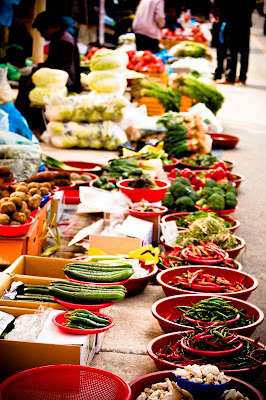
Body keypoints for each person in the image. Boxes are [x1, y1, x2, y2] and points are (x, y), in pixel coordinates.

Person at [15, 12, 81, 123]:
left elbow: (58, 67)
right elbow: (51, 63)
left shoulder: (63, 41)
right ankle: (23, 117)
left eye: (43, 30)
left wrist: (34, 70)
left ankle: (25, 119)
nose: (41, 35)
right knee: (25, 80)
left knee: (28, 83)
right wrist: (36, 66)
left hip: (67, 81)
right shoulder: (59, 38)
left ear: (53, 27)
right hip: (61, 76)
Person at [215, 0, 257, 85]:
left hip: (232, 22)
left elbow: (224, 6)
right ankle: (242, 77)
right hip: (245, 23)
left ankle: (230, 77)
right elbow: (252, 5)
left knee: (232, 51)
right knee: (244, 51)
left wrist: (221, 18)